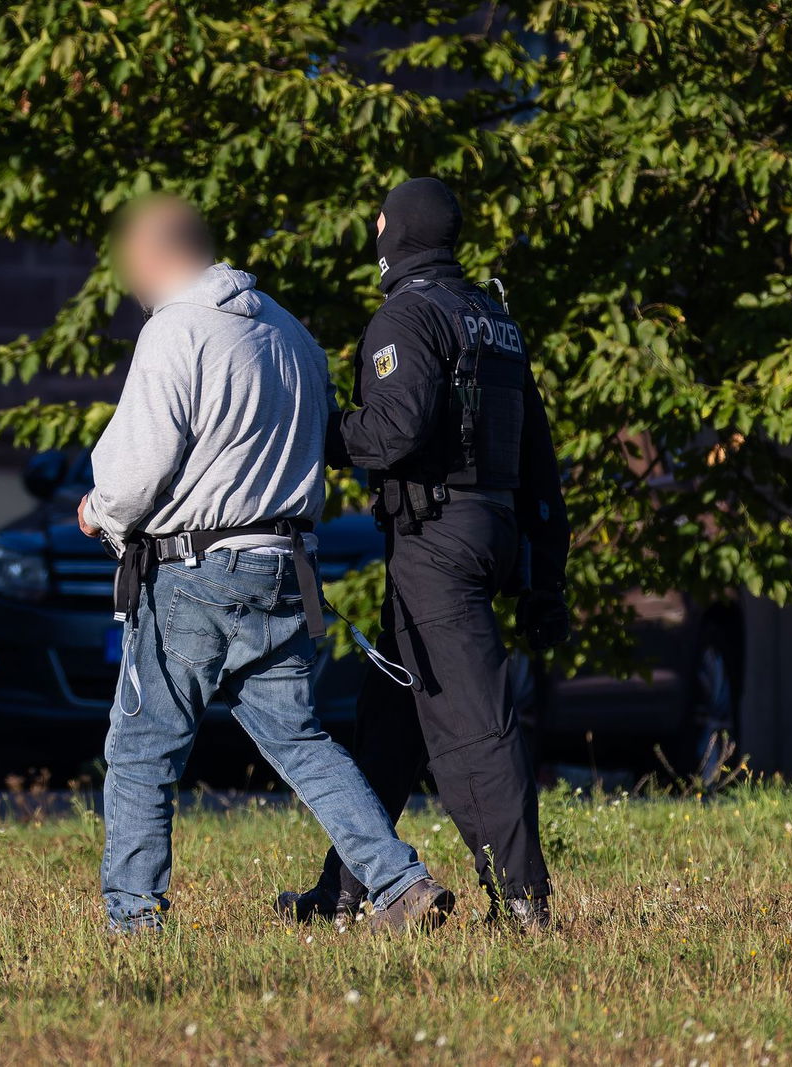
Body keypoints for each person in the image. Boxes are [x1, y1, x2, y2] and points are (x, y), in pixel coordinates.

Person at [77, 193, 452, 935]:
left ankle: (134, 918)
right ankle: (401, 882)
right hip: (287, 567)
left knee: (144, 743)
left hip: (196, 569)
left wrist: (102, 512)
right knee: (301, 740)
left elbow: (138, 467)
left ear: (158, 256)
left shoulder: (175, 330)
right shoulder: (290, 332)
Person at [277, 177, 571, 933]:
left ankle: (523, 904)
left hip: (437, 545)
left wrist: (320, 427)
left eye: (379, 223)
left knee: (472, 727)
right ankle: (345, 889)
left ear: (398, 233)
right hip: (486, 530)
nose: (374, 234)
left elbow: (392, 433)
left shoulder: (407, 314)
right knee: (391, 724)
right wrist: (546, 573)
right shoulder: (491, 318)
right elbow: (537, 455)